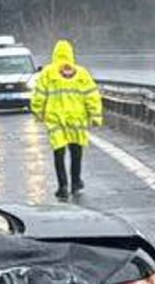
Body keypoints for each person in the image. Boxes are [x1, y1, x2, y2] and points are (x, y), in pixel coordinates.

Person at [29, 39, 103, 200]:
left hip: (56, 120)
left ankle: (62, 186)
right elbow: (92, 96)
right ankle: (76, 182)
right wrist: (95, 115)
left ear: (55, 54)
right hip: (77, 119)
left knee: (59, 153)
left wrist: (37, 112)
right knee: (76, 152)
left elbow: (39, 95)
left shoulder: (48, 72)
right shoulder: (81, 73)